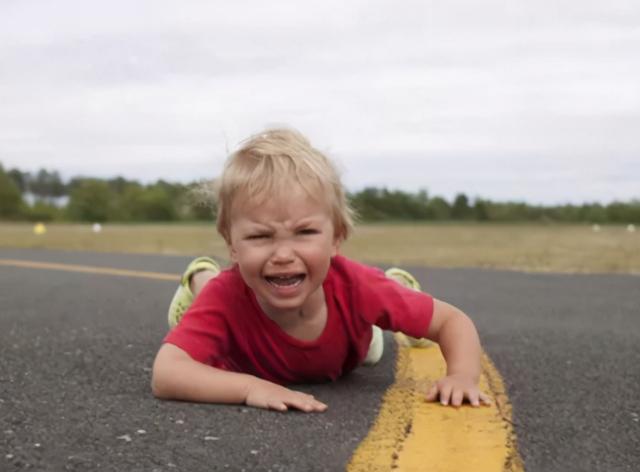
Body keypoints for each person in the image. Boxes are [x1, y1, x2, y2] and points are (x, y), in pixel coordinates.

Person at [151, 128, 491, 413]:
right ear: (231, 245)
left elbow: (452, 321)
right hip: (253, 330)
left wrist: (462, 376)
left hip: (348, 350)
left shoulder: (356, 287)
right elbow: (167, 373)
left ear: (337, 237)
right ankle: (199, 277)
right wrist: (249, 388)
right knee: (213, 294)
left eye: (305, 232)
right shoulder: (227, 297)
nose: (283, 254)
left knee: (372, 349)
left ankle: (396, 284)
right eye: (259, 236)